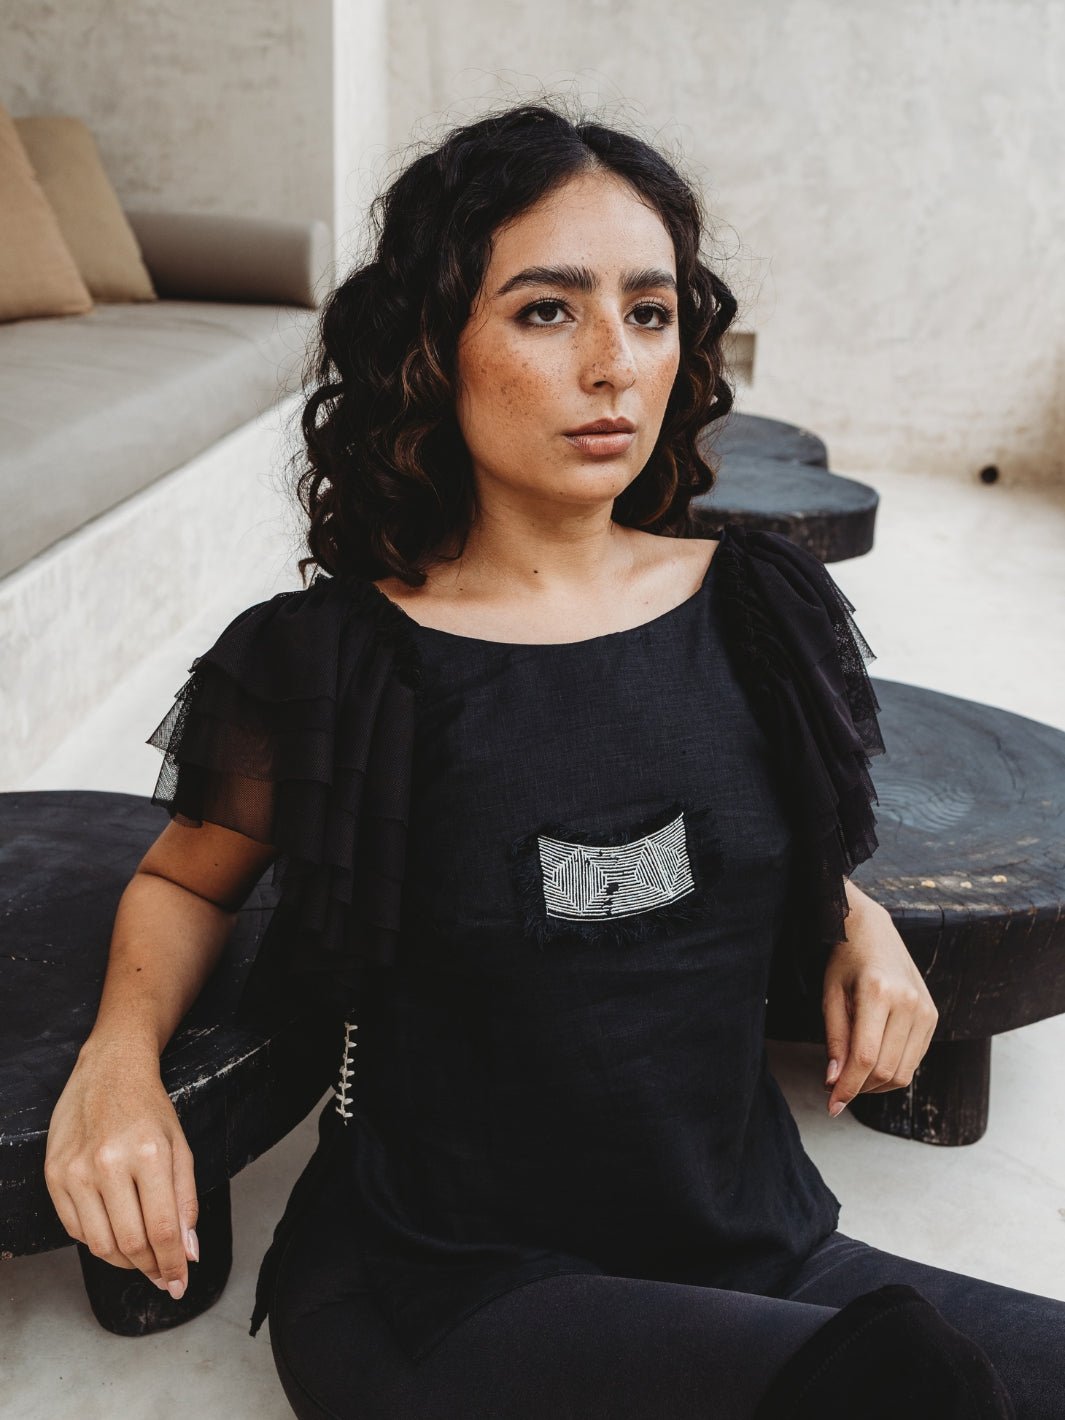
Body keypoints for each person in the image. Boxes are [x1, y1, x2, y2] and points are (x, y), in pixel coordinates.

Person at [44, 101, 1063, 1419]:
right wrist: (118, 1064)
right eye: (545, 310)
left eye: (649, 312)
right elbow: (186, 881)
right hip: (447, 1290)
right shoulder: (332, 664)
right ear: (432, 348)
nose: (614, 364)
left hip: (749, 1238)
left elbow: (756, 829)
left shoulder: (756, 607)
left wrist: (854, 920)